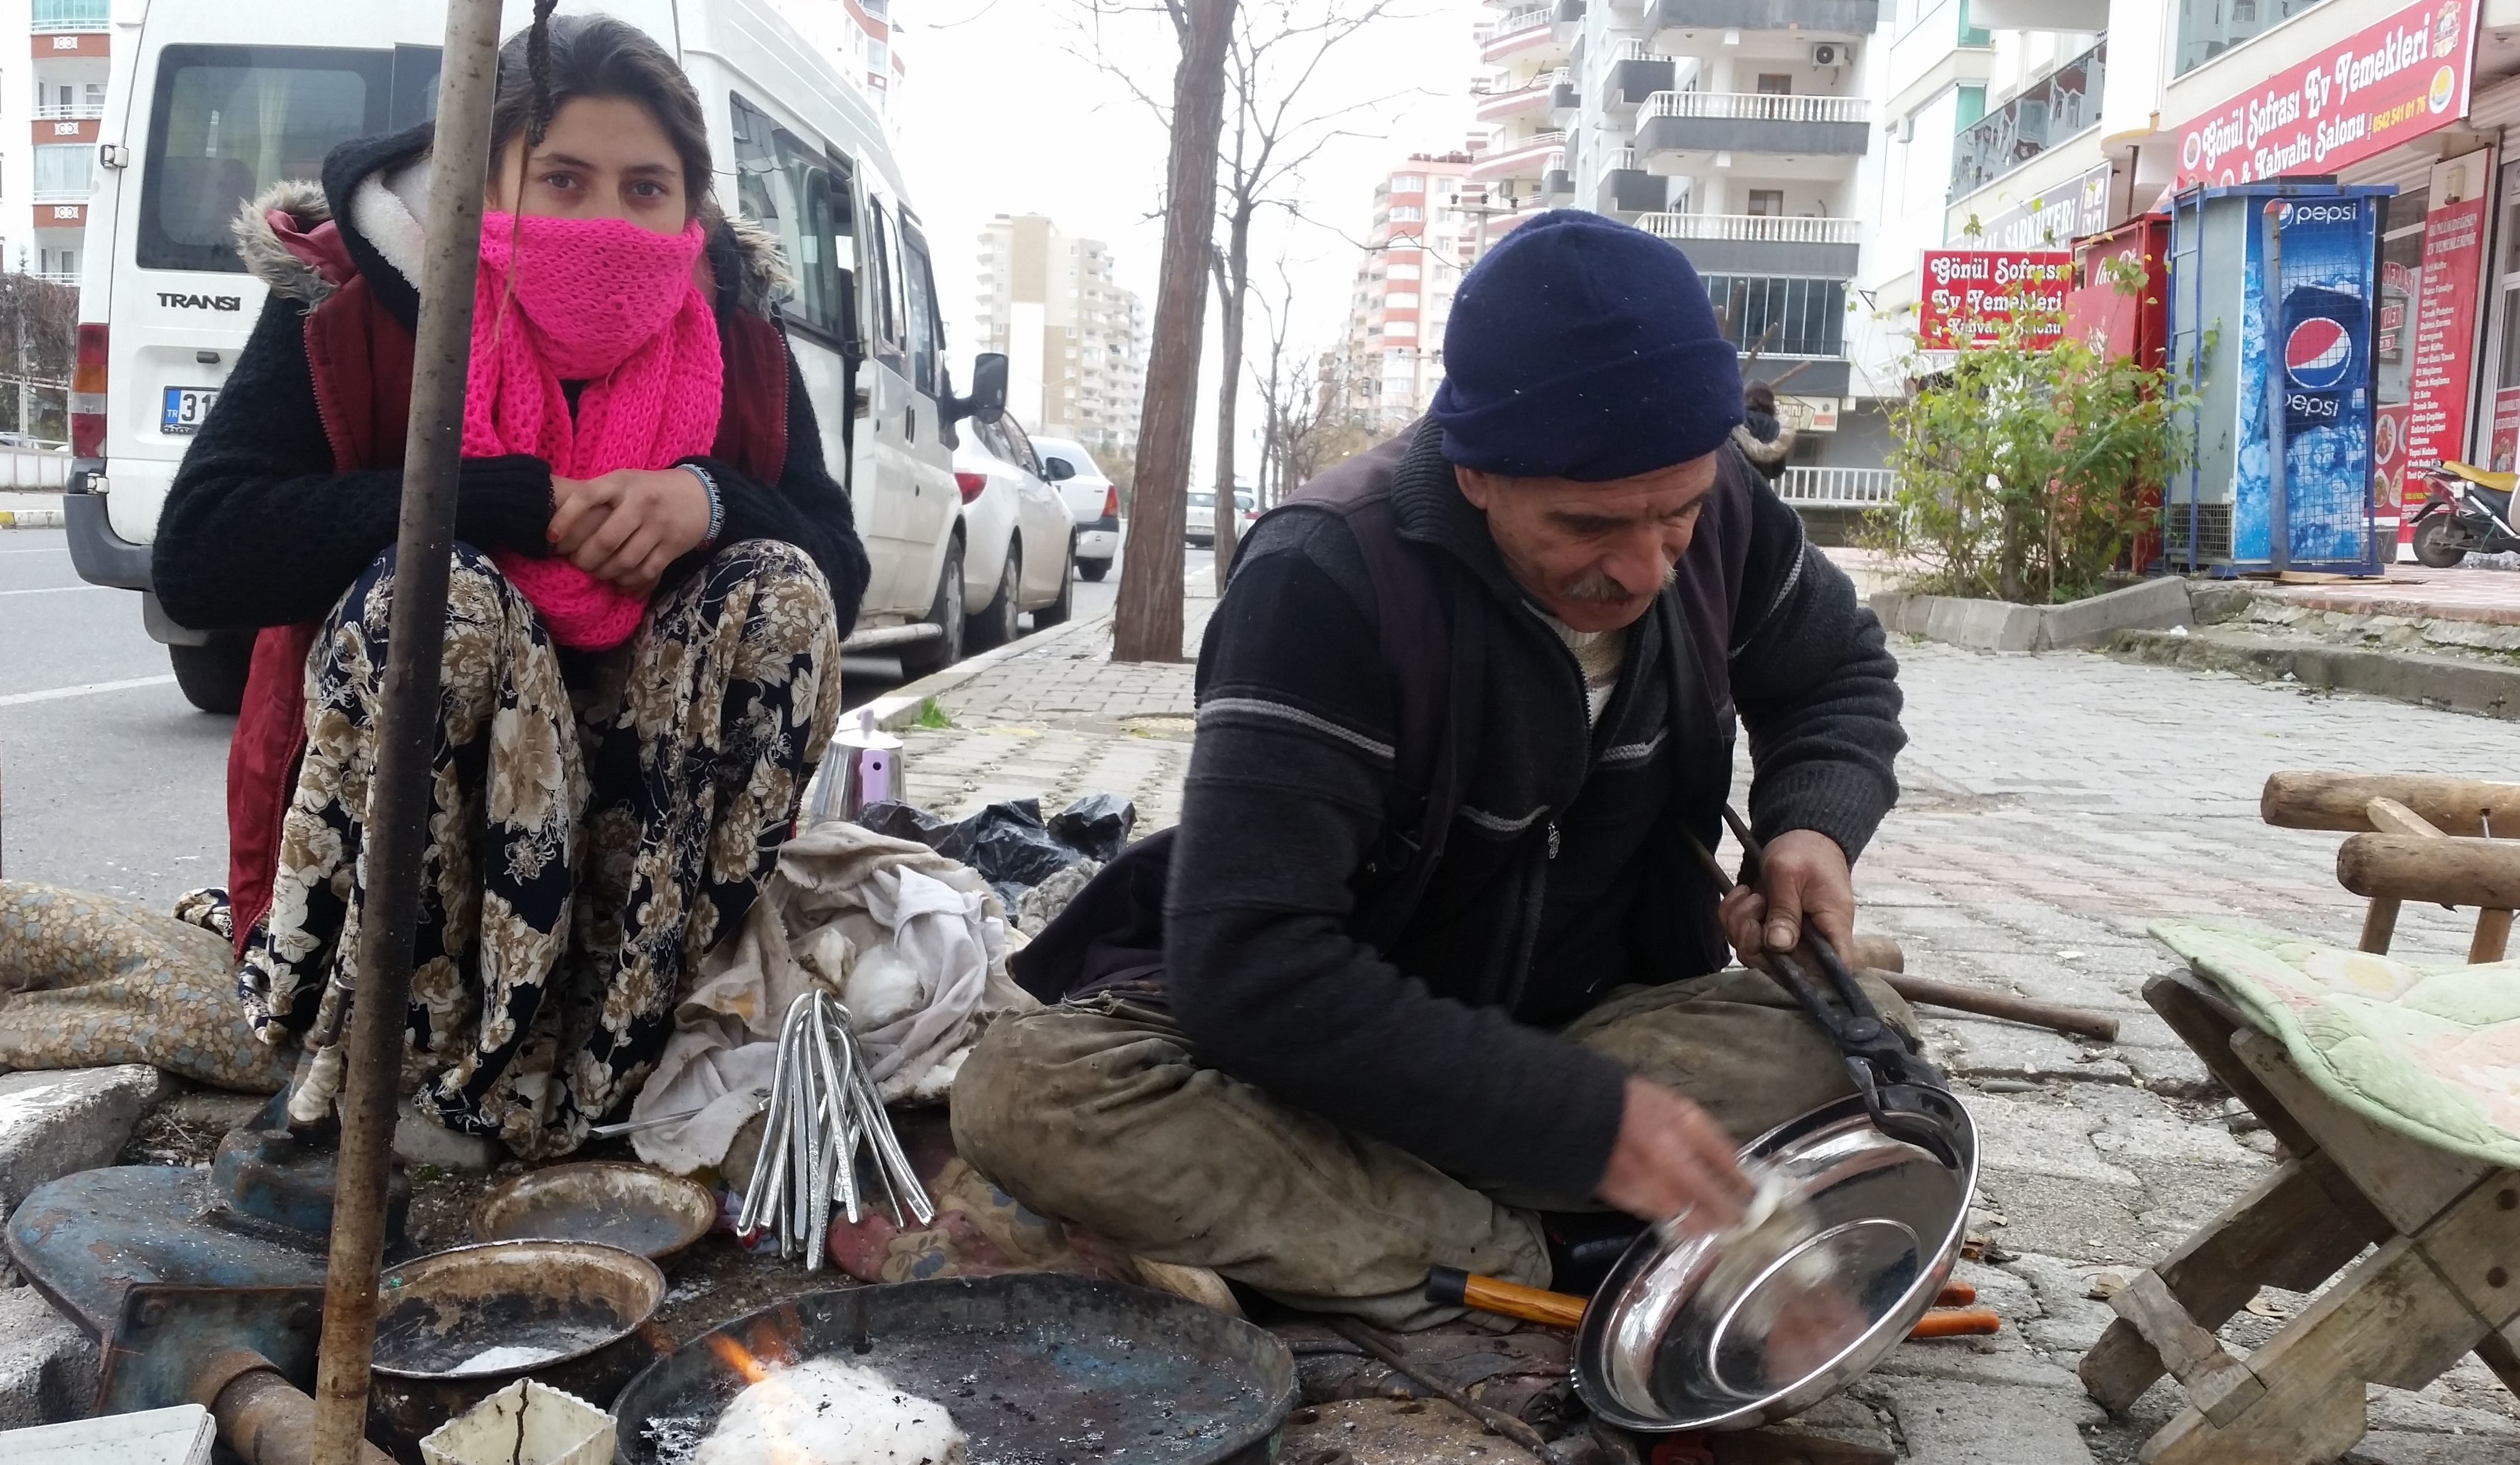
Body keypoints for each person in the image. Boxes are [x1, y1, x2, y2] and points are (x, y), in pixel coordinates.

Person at [950, 210, 1907, 1327]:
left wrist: (1808, 826)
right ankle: (1554, 1252)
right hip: (1313, 1054)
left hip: (1581, 1025)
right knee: (1027, 1097)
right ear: (1476, 475)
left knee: (1859, 1031)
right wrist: (1587, 1126)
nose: (1646, 567)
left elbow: (1839, 674)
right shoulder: (1324, 579)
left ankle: (1386, 1230)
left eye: (1677, 517)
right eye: (1590, 526)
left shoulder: (1711, 501)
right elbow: (1254, 972)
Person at [154, 14, 862, 1160]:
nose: (604, 221)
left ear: (692, 209)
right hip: (412, 863)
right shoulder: (361, 295)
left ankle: (615, 1055)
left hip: (629, 870)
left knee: (777, 589)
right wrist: (483, 499)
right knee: (444, 597)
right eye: (564, 179)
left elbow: (841, 574)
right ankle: (407, 1063)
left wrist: (711, 501)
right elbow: (200, 550)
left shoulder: (735, 327)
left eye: (646, 188)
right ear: (486, 181)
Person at [1732, 379, 1795, 479]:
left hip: (1737, 484)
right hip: (1762, 489)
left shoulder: (1736, 423)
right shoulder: (1779, 429)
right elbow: (1777, 471)